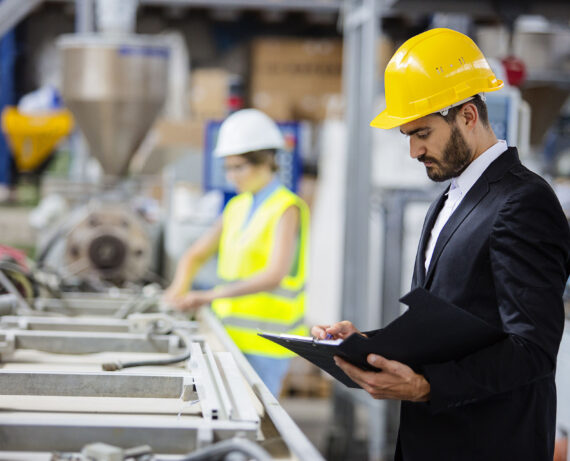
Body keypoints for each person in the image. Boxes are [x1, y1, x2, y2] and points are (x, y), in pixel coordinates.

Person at [312, 28, 570, 460]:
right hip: (434, 437)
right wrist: (368, 344)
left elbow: (532, 350)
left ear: (468, 116)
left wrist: (427, 385)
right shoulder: (449, 201)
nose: (414, 151)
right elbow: (454, 325)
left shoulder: (523, 201)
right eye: (408, 136)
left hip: (491, 443)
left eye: (423, 133)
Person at [164, 108, 309, 397]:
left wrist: (207, 296)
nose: (232, 177)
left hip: (267, 344)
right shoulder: (237, 207)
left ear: (266, 161)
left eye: (239, 167)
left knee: (259, 427)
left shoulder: (286, 208)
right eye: (228, 168)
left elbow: (274, 275)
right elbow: (195, 254)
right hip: (229, 337)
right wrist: (176, 291)